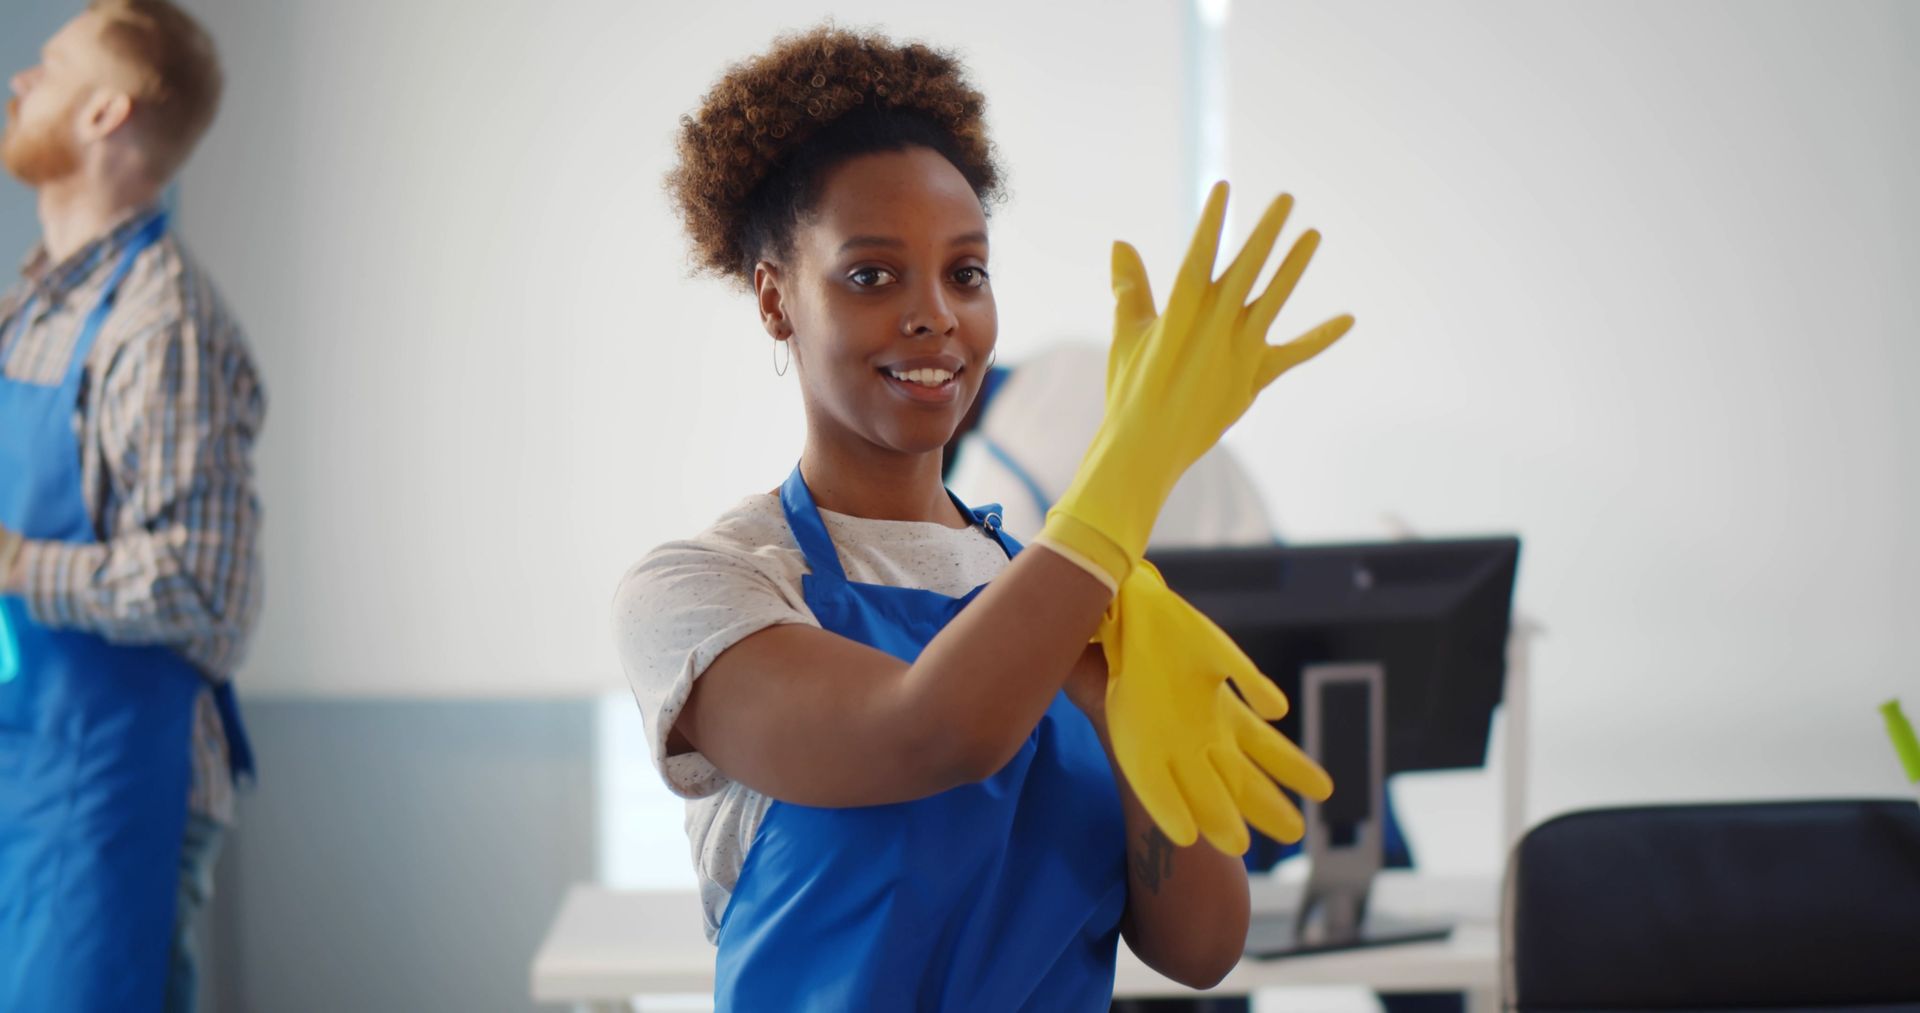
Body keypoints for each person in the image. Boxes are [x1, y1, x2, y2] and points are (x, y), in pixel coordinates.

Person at [614, 25, 1351, 1010]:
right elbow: (928, 733)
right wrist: (1128, 479)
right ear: (775, 298)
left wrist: (1134, 684)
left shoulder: (1078, 593)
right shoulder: (707, 588)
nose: (936, 315)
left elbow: (1202, 944)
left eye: (966, 272)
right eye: (873, 275)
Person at [0, 2, 262, 1010]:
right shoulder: (33, 306)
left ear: (107, 109)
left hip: (111, 792)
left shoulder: (164, 322)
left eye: (51, 65)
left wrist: (19, 563)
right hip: (30, 765)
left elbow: (205, 587)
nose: (22, 80)